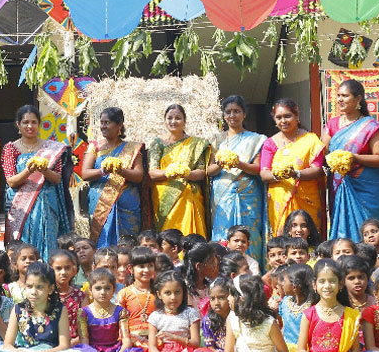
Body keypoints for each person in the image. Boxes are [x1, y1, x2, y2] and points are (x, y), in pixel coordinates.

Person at [116, 270, 217, 352]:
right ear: (159, 294)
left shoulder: (191, 313)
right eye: (168, 293)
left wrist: (175, 338)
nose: (173, 297)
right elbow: (152, 347)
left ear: (184, 294)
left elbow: (195, 342)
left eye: (177, 292)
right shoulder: (155, 316)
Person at [0, 262, 86, 352]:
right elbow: (7, 345)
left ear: (50, 289)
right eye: (29, 286)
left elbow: (64, 345)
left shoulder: (59, 309)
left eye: (39, 287)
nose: (33, 292)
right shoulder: (18, 309)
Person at [203, 274, 293, 352]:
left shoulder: (269, 323)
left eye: (230, 295)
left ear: (240, 299)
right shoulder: (232, 319)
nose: (228, 299)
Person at [3, 104, 72, 258]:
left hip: (47, 204)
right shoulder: (11, 148)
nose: (30, 126)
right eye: (25, 122)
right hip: (22, 207)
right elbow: (11, 181)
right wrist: (29, 170)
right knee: (24, 246)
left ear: (39, 124)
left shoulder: (52, 148)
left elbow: (57, 178)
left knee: (49, 242)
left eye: (34, 122)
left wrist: (43, 170)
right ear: (18, 125)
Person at [324, 80, 379, 242]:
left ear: (358, 99)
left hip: (367, 189)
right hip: (340, 186)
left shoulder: (370, 126)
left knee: (369, 232)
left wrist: (353, 158)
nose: (340, 99)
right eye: (338, 95)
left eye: (345, 96)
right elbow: (323, 152)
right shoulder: (333, 124)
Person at [260, 99, 325, 254]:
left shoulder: (311, 140)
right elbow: (264, 173)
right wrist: (279, 175)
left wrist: (296, 174)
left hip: (306, 196)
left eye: (287, 116)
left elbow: (317, 169)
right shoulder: (270, 143)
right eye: (279, 117)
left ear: (297, 116)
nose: (283, 121)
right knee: (282, 240)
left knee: (309, 236)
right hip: (279, 199)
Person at [204, 95, 267, 258]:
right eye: (228, 112)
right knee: (223, 233)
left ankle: (251, 270)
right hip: (222, 195)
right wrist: (221, 163)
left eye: (237, 111)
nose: (232, 116)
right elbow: (209, 170)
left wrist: (238, 163)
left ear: (244, 114)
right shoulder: (216, 140)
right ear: (223, 115)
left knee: (249, 232)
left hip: (248, 194)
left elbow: (258, 168)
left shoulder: (256, 140)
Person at [81, 107, 144, 247]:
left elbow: (139, 176)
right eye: (102, 123)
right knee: (102, 244)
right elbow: (85, 174)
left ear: (119, 125)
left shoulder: (132, 149)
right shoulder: (94, 147)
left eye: (107, 123)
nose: (103, 126)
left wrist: (120, 170)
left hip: (126, 202)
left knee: (127, 244)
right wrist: (103, 171)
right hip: (100, 202)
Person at [148, 104, 211, 237]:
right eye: (169, 118)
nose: (173, 121)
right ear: (164, 120)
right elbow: (152, 172)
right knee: (167, 237)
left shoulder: (196, 144)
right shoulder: (157, 143)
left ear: (184, 121)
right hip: (163, 197)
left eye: (178, 118)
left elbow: (201, 172)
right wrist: (170, 172)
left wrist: (187, 173)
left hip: (189, 195)